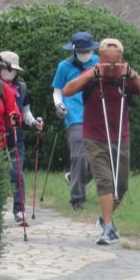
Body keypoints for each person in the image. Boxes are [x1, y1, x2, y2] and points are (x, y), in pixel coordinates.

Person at [63, 38, 140, 245]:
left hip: (121, 137)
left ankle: (104, 216)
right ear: (99, 59)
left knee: (121, 185)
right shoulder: (92, 75)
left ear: (122, 60)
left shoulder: (127, 77)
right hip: (94, 137)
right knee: (105, 182)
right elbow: (67, 90)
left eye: (115, 62)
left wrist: (134, 76)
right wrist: (92, 74)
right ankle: (108, 228)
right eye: (106, 61)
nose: (111, 66)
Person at [52, 31, 98, 210]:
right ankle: (77, 199)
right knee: (79, 155)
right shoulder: (64, 66)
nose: (85, 54)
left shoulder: (99, 63)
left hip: (96, 115)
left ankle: (75, 178)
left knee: (99, 159)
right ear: (74, 51)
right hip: (74, 116)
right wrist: (59, 106)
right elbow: (57, 91)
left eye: (88, 51)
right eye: (81, 51)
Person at [0, 51, 45, 225]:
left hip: (16, 136)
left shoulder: (22, 87)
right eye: (5, 69)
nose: (9, 73)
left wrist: (34, 123)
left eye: (12, 70)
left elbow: (25, 111)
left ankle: (19, 210)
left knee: (16, 173)